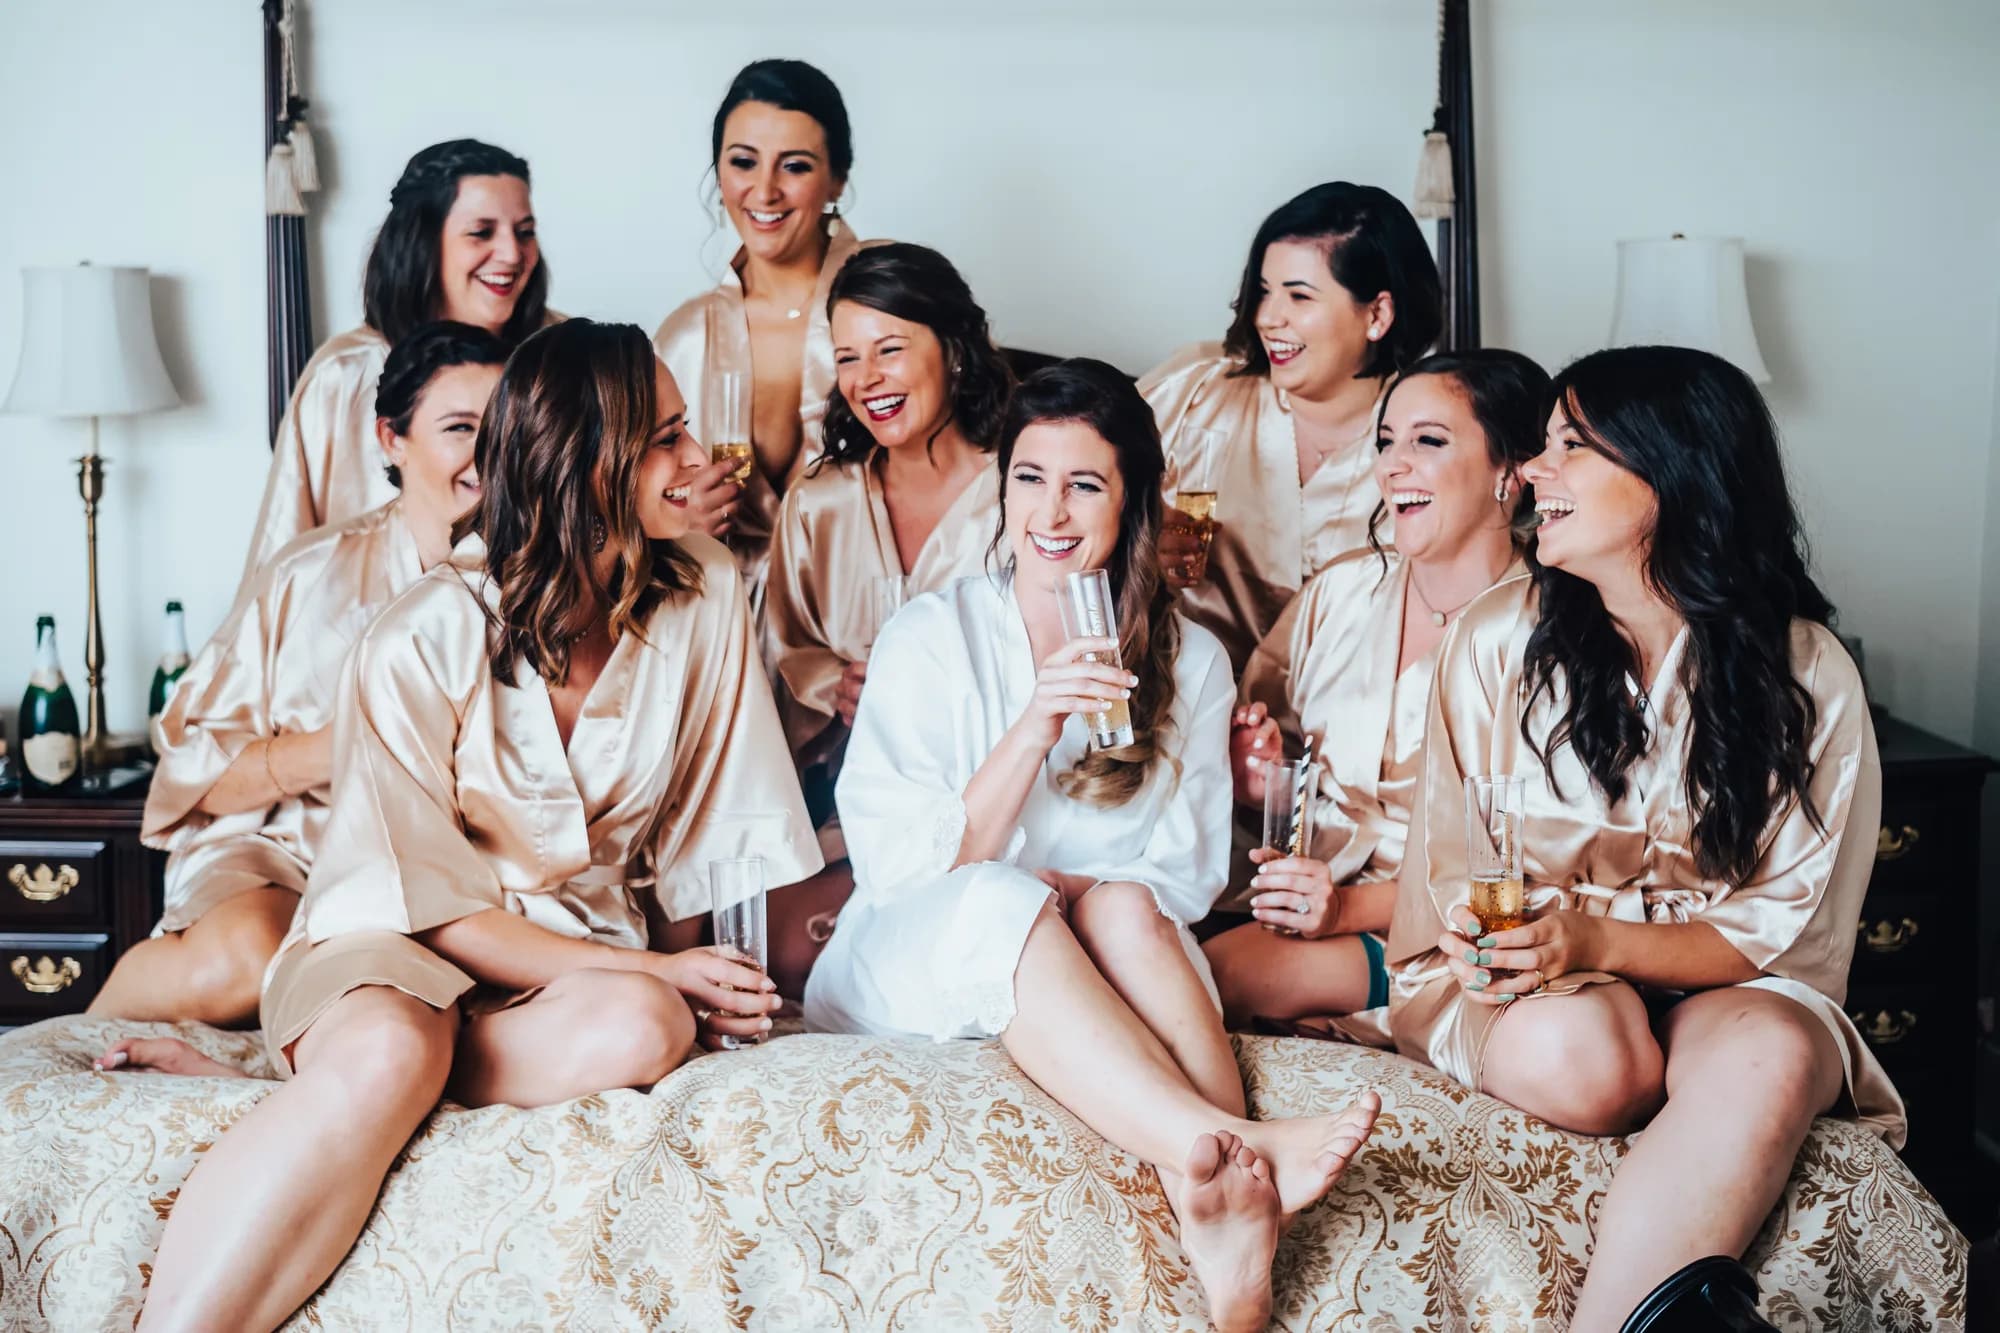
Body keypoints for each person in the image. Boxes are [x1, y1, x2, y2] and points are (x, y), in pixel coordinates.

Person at [105, 320, 822, 1333]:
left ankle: (293, 1082)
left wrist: (683, 981)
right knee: (400, 1045)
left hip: (573, 955)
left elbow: (708, 832)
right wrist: (649, 971)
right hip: (387, 941)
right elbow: (422, 903)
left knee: (646, 1027)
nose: (697, 461)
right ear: (585, 456)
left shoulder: (703, 594)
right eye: (665, 437)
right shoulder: (419, 635)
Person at [805, 359, 1381, 1333]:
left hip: (1103, 948)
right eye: (1029, 478)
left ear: (1132, 500)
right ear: (1002, 490)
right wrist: (1034, 724)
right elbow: (899, 869)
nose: (1052, 513)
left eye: (1084, 483)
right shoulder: (929, 638)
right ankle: (1232, 1142)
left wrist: (1076, 891)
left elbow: (1191, 875)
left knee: (1121, 900)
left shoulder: (1188, 656)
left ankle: (1223, 1210)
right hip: (911, 950)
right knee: (999, 896)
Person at [1386, 346, 1899, 1329]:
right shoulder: (1496, 639)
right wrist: (1511, 947)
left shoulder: (1804, 671)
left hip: (1725, 985)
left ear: (1671, 470)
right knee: (1593, 1059)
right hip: (1538, 989)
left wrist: (1594, 937)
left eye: (1567, 447)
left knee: (1775, 1054)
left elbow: (1778, 932)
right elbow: (1452, 878)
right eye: (1538, 448)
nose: (1532, 474)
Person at [89, 322, 509, 1027]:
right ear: (391, 440)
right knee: (249, 954)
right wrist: (350, 741)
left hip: (456, 871)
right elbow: (191, 769)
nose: (486, 454)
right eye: (460, 427)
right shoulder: (308, 573)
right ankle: (68, 1047)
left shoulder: (542, 583)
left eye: (503, 427)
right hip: (285, 853)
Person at [1203, 350, 1547, 1033]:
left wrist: (1347, 910)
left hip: (1450, 934)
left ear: (1508, 469)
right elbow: (1282, 777)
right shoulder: (1343, 591)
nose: (1392, 463)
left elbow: (1537, 864)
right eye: (1386, 440)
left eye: (1429, 440)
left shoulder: (1548, 637)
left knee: (1213, 982)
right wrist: (1258, 780)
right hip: (1300, 906)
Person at [759, 244, 1010, 991]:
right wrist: (830, 687)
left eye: (890, 350)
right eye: (847, 358)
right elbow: (778, 654)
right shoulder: (820, 500)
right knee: (780, 948)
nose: (867, 379)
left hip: (988, 810)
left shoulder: (1023, 494)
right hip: (850, 808)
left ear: (955, 351)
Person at [1140, 182, 1442, 672]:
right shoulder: (1195, 395)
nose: (1268, 318)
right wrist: (1138, 546)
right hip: (1184, 711)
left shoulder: (1436, 436)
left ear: (1378, 313)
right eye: (1263, 292)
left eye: (1299, 297)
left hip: (1363, 729)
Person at [239, 139, 553, 584]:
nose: (512, 253)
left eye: (524, 232)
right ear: (424, 241)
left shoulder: (567, 359)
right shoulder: (346, 376)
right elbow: (282, 565)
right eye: (482, 232)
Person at [655, 58, 871, 608]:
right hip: (720, 617)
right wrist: (677, 518)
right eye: (743, 162)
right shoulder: (683, 338)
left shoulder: (893, 304)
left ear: (838, 178)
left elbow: (974, 457)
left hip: (870, 616)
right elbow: (625, 503)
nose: (764, 190)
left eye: (794, 166)